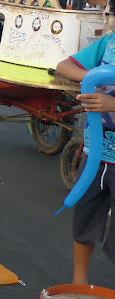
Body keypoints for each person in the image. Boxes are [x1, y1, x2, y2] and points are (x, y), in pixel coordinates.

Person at [55, 34, 115, 285]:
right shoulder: (108, 43)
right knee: (84, 218)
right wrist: (92, 77)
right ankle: (78, 285)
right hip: (94, 155)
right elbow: (63, 67)